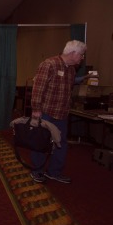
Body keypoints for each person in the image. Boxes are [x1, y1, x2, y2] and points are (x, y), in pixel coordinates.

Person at [30, 40, 87, 184]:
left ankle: (54, 171)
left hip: (62, 114)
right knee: (41, 142)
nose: (82, 58)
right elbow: (38, 89)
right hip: (46, 112)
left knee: (61, 143)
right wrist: (36, 109)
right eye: (81, 55)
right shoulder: (49, 64)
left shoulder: (72, 69)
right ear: (73, 53)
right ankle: (37, 170)